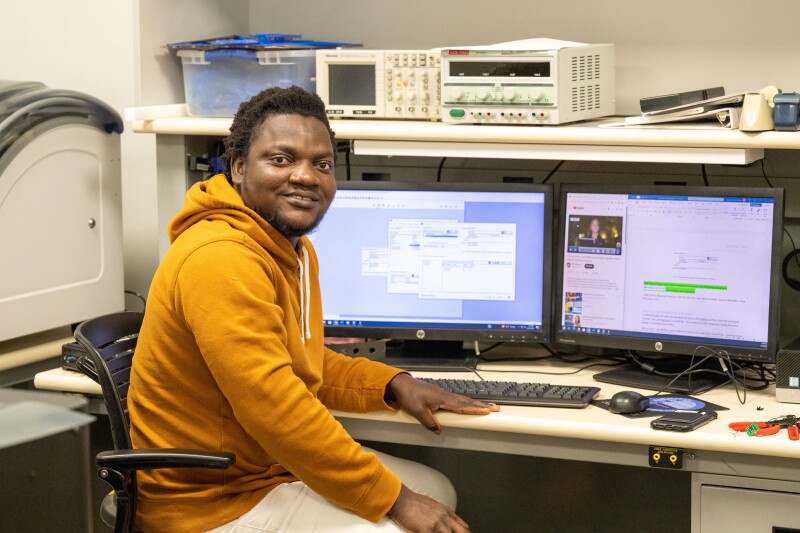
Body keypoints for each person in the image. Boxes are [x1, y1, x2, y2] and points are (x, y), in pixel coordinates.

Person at [128, 86, 499, 533]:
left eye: (321, 164)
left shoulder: (290, 248)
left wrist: (393, 382)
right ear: (240, 168)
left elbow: (299, 361)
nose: (305, 176)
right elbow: (276, 409)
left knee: (436, 489)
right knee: (403, 521)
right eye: (281, 159)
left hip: (264, 471)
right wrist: (395, 501)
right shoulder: (220, 257)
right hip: (209, 500)